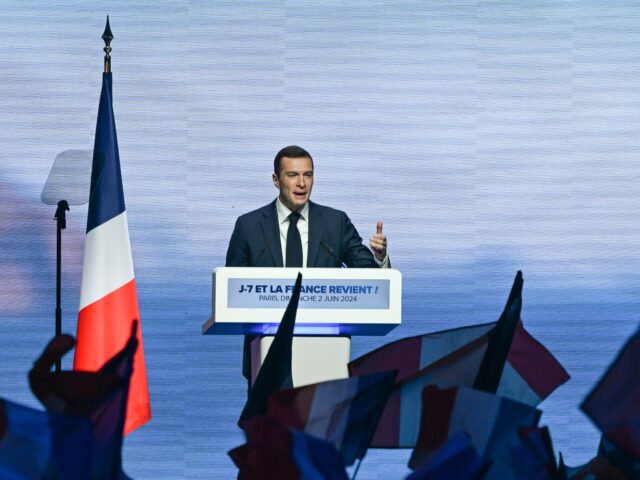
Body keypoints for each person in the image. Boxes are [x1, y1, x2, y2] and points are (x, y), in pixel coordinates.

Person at [225, 145, 389, 382]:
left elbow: (371, 276)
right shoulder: (248, 226)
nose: (302, 183)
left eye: (308, 175)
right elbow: (232, 289)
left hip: (326, 352)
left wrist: (380, 257)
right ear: (275, 179)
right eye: (293, 175)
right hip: (266, 352)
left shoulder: (335, 222)